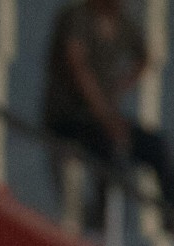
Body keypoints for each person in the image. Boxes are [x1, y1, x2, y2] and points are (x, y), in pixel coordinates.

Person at [42, 0, 174, 228]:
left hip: (103, 118)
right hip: (69, 118)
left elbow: (144, 56)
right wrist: (104, 113)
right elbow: (77, 65)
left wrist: (119, 87)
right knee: (110, 149)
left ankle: (169, 215)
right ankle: (101, 217)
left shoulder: (122, 23)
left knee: (156, 146)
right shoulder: (77, 17)